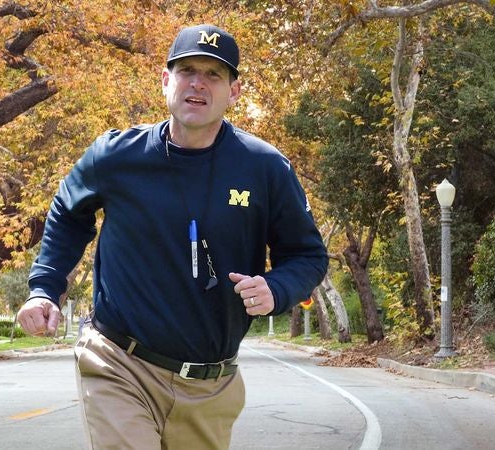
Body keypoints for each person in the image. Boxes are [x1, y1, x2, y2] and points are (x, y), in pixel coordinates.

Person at [17, 24, 328, 450]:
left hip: (210, 385)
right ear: (167, 81)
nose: (198, 83)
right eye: (186, 70)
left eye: (214, 74)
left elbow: (308, 255)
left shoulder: (265, 168)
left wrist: (277, 288)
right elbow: (68, 216)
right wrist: (43, 290)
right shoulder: (115, 155)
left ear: (234, 92)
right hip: (118, 363)